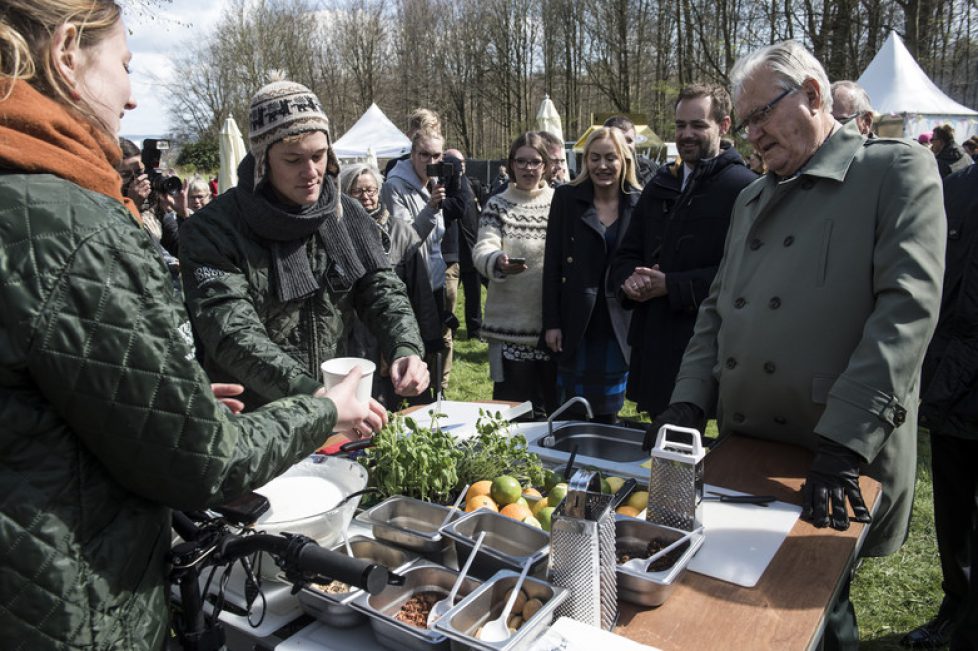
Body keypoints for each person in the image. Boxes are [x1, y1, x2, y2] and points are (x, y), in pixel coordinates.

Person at [0, 2, 385, 648]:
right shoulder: (69, 223)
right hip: (69, 605)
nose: (131, 97)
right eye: (124, 66)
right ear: (67, 53)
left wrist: (148, 401)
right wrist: (322, 408)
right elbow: (201, 455)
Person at [658, 40, 945, 649]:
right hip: (748, 443)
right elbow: (717, 307)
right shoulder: (751, 197)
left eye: (762, 115)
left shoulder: (893, 172)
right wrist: (688, 400)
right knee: (732, 602)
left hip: (833, 452)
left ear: (813, 96)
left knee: (810, 609)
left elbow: (905, 315)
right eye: (745, 122)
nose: (752, 135)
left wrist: (844, 443)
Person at [180, 78, 429, 409]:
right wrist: (313, 395)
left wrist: (405, 347)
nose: (311, 172)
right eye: (293, 160)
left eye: (319, 155)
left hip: (337, 407)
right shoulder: (213, 229)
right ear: (263, 161)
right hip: (256, 420)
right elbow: (232, 332)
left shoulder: (346, 214)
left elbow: (382, 289)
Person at [609, 84, 756, 419]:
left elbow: (744, 276)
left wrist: (672, 285)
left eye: (698, 125)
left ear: (724, 125)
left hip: (707, 346)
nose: (686, 134)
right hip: (654, 342)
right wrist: (630, 283)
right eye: (680, 126)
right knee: (658, 444)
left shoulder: (743, 188)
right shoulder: (660, 184)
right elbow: (626, 255)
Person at [901, 163, 978, 650]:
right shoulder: (957, 186)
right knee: (955, 515)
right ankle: (958, 609)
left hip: (956, 378)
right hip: (953, 390)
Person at [543, 127, 642, 422]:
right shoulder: (566, 199)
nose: (602, 166)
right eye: (594, 158)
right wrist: (552, 323)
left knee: (608, 414)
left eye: (610, 158)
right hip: (576, 323)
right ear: (585, 162)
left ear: (624, 161)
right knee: (571, 410)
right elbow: (552, 265)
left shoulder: (639, 203)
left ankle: (601, 467)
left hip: (619, 324)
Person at [339, 162, 442, 408]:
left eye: (371, 190)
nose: (366, 197)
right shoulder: (336, 233)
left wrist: (429, 338)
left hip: (396, 330)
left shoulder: (402, 233)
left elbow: (420, 292)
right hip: (353, 338)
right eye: (358, 191)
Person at [473, 132, 558, 417]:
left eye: (535, 162)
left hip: (552, 330)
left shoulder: (559, 204)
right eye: (521, 161)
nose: (528, 168)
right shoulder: (498, 205)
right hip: (511, 332)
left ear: (545, 165)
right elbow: (483, 246)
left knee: (550, 415)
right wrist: (497, 261)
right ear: (511, 165)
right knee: (513, 416)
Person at [381, 128, 453, 394]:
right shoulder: (394, 186)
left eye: (436, 155)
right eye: (424, 154)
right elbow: (405, 240)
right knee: (416, 351)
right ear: (412, 155)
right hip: (412, 287)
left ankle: (437, 397)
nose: (430, 162)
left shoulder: (435, 183)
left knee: (437, 347)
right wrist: (431, 208)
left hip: (435, 281)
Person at [445, 148, 484, 340]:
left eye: (461, 163)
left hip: (471, 248)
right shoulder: (441, 186)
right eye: (453, 163)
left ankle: (475, 331)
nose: (459, 167)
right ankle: (448, 329)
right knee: (449, 296)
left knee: (474, 294)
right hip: (451, 251)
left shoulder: (473, 184)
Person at [604, 114, 657, 186]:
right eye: (620, 140)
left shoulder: (651, 171)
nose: (625, 145)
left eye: (629, 141)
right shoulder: (596, 171)